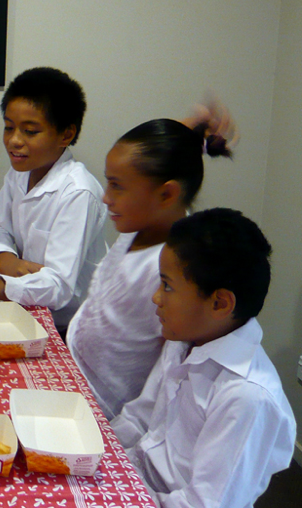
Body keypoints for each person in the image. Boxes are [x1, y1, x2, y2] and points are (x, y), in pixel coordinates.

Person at [111, 209, 295, 508]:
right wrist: (98, 454)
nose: (156, 297)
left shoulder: (247, 396)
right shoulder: (186, 340)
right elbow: (138, 418)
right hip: (136, 480)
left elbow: (204, 504)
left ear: (220, 303)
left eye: (167, 286)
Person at [65, 117, 233, 419]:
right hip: (72, 367)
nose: (106, 197)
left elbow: (170, 368)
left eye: (117, 186)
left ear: (167, 194)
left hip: (103, 406)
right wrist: (187, 134)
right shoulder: (140, 224)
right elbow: (160, 167)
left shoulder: (171, 268)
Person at [0, 67, 106, 333]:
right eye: (8, 127)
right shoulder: (21, 171)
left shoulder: (77, 193)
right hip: (25, 305)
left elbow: (60, 286)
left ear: (66, 134)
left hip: (67, 325)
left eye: (30, 131)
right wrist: (6, 260)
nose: (14, 140)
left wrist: (1, 285)